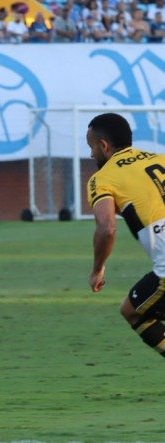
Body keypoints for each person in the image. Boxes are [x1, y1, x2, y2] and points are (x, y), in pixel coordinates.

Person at [86, 113, 165, 359]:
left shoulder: (102, 178)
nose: (90, 154)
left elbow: (106, 228)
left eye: (91, 147)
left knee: (133, 311)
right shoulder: (160, 158)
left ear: (104, 146)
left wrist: (97, 269)